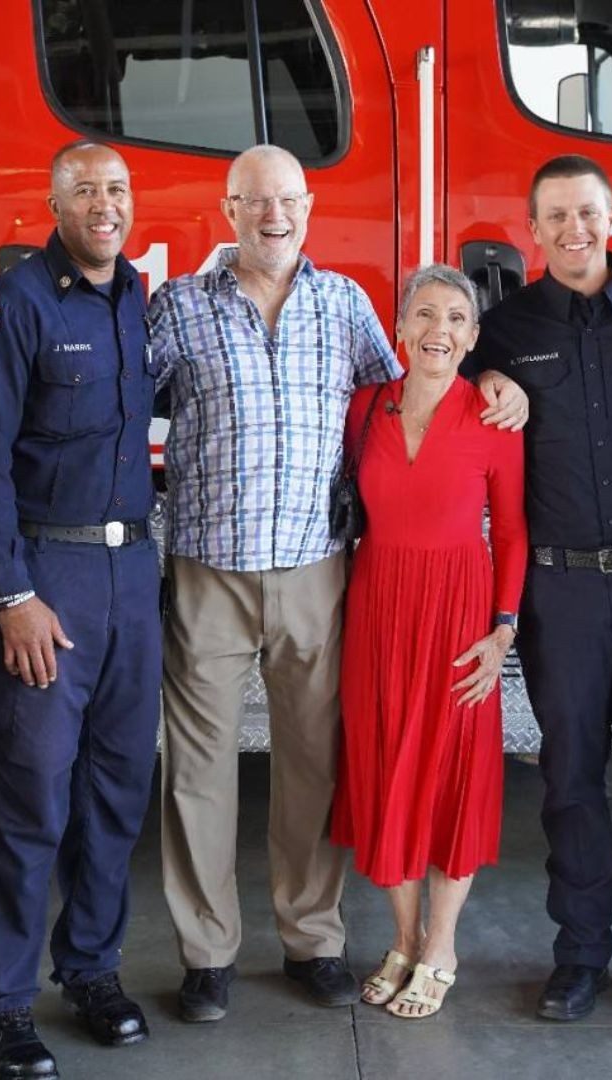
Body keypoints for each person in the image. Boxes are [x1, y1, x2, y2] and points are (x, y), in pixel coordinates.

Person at [148, 144, 529, 1023]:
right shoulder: (178, 307)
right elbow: (119, 404)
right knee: (198, 770)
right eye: (254, 201)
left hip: (320, 568)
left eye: (287, 199)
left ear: (308, 206)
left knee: (314, 763)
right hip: (210, 565)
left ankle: (312, 939)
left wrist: (495, 380)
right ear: (229, 208)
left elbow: (411, 394)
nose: (272, 215)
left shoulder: (346, 305)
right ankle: (207, 956)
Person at [0, 141, 160, 1080]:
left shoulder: (134, 299)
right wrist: (13, 593)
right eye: (85, 191)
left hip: (131, 576)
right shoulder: (12, 307)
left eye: (116, 189)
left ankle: (89, 968)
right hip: (48, 578)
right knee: (32, 799)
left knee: (116, 795)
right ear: (53, 202)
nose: (104, 205)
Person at [465, 154, 612, 1022]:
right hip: (560, 595)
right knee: (569, 780)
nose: (575, 230)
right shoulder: (503, 329)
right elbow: (444, 391)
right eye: (557, 218)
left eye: (589, 213)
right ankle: (580, 960)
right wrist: (484, 380)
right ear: (531, 232)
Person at [331, 264, 527, 1018]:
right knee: (385, 772)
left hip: (458, 617)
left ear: (473, 337)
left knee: (449, 779)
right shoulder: (365, 408)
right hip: (377, 608)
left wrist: (502, 629)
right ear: (401, 326)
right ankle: (405, 939)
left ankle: (442, 945)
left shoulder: (493, 416)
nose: (437, 331)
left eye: (454, 319)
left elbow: (509, 531)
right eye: (423, 315)